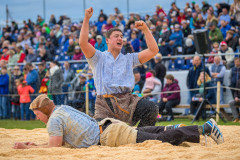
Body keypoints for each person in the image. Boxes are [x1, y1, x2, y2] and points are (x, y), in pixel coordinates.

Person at [13, 94, 224, 149]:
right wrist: (38, 144)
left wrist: (27, 148)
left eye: (36, 114)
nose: (36, 118)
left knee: (160, 141)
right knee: (151, 133)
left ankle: (203, 128)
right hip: (108, 126)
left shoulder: (53, 120)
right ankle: (182, 128)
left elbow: (55, 148)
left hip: (109, 135)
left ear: (42, 110)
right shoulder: (62, 108)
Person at [79, 7, 159, 127]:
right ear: (107, 40)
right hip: (104, 104)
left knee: (151, 108)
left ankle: (140, 136)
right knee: (103, 135)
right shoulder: (98, 57)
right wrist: (86, 18)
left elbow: (153, 50)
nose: (120, 38)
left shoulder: (128, 58)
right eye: (116, 36)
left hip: (127, 101)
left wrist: (146, 29)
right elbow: (83, 43)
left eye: (121, 36)